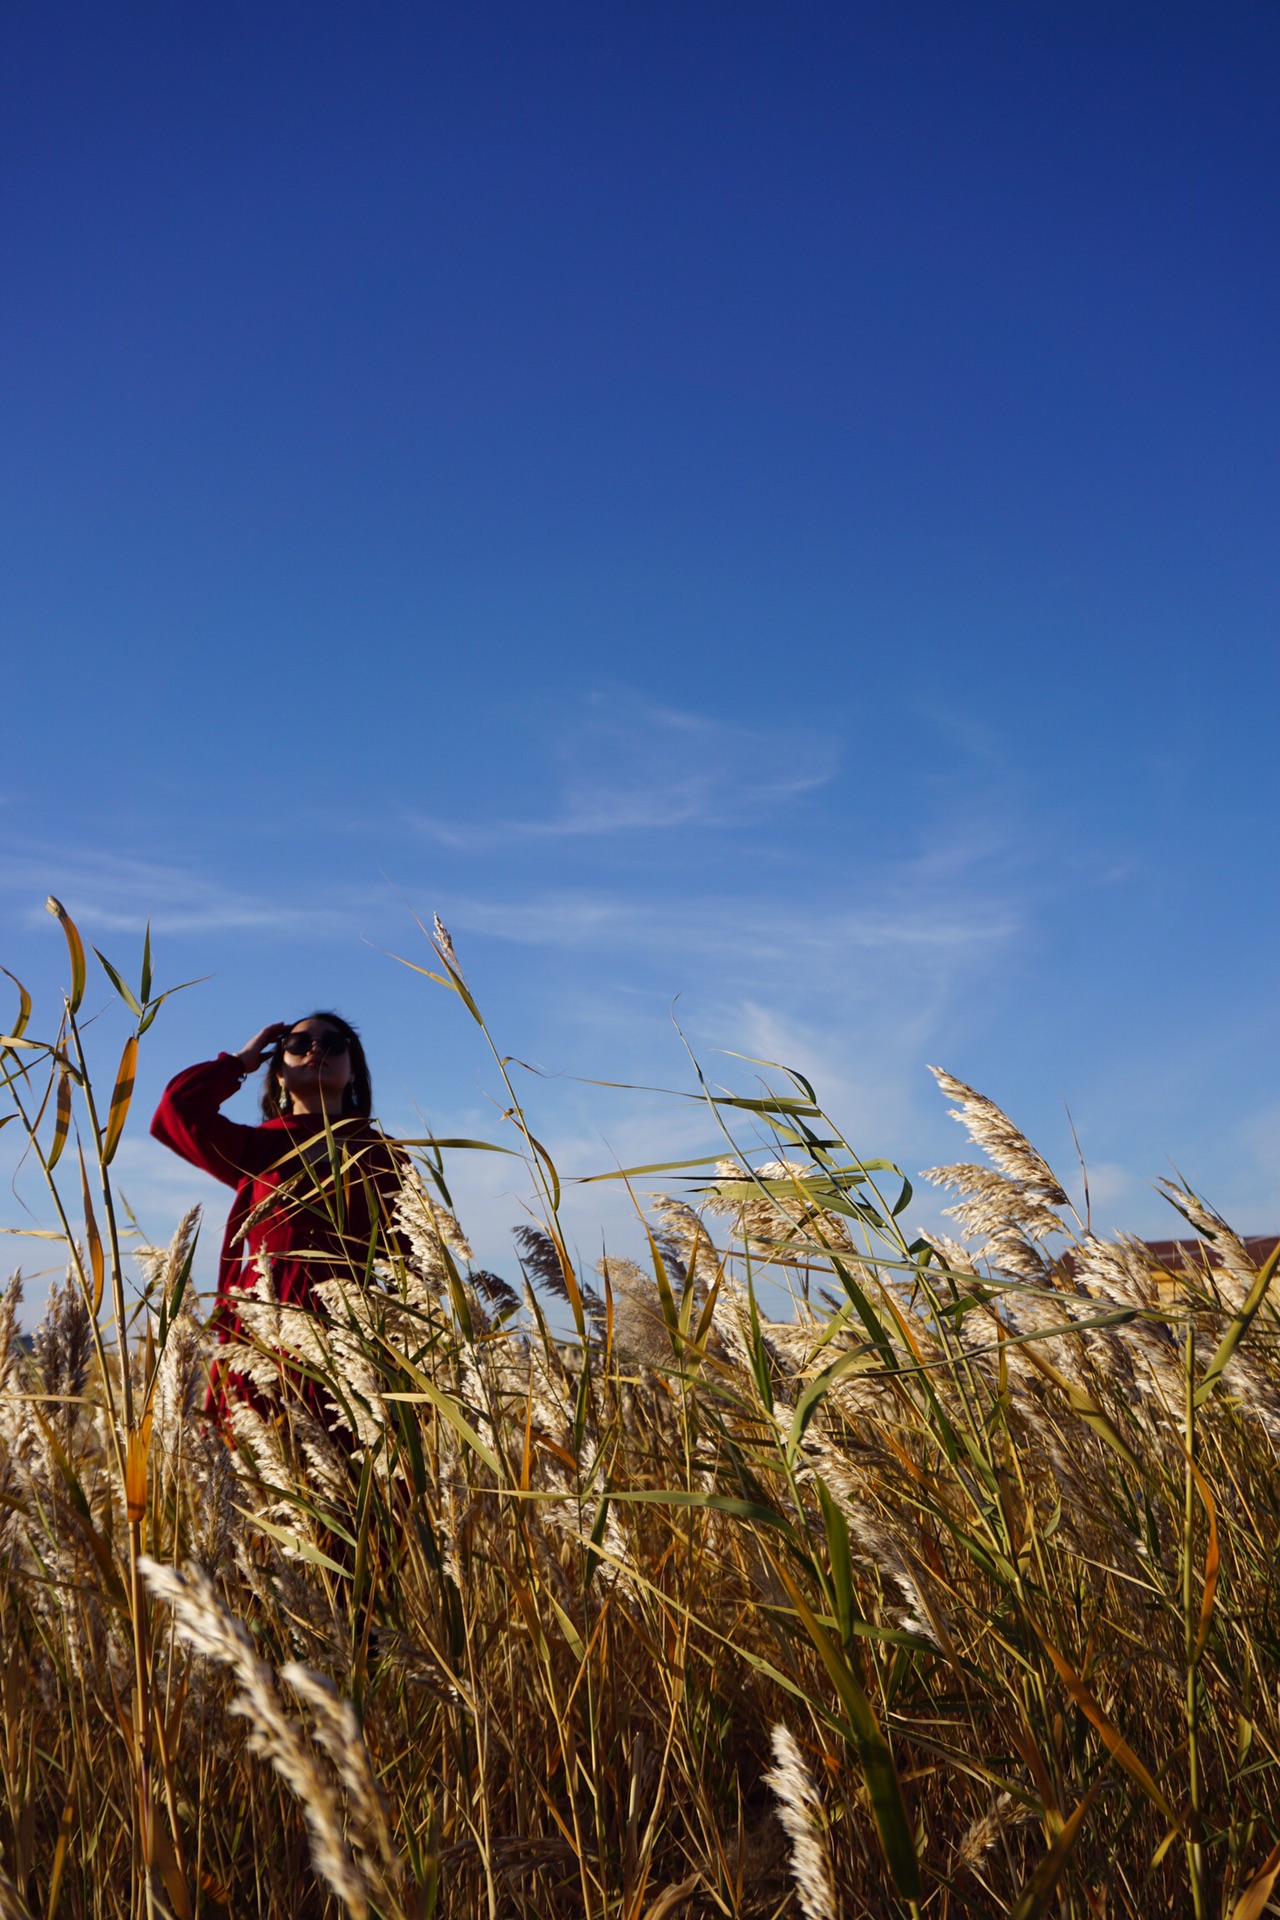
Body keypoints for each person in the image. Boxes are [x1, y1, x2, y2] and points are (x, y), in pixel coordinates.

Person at [150, 1012, 405, 1423]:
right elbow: (176, 1111)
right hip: (261, 1344)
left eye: (333, 1044)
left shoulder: (384, 1153)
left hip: (351, 1349)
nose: (316, 1049)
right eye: (299, 1043)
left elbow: (408, 1265)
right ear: (279, 1075)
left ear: (354, 1071)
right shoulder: (259, 1147)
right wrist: (238, 1062)